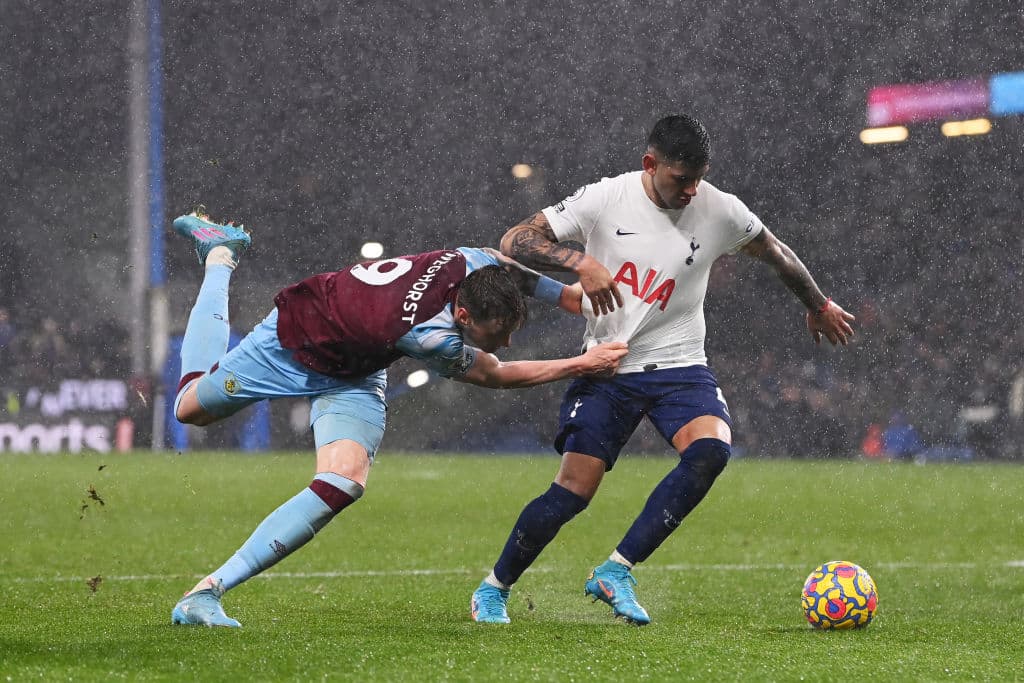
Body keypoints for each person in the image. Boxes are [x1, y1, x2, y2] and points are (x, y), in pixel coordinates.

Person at [470, 114, 855, 625]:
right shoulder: (606, 198)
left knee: (711, 451)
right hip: (608, 365)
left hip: (680, 365)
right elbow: (514, 240)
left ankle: (617, 570)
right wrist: (578, 261)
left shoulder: (719, 208)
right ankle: (494, 588)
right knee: (572, 493)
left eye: (698, 179)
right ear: (650, 164)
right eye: (680, 180)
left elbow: (776, 253)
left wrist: (818, 303)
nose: (692, 191)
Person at [167, 208, 627, 627]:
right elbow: (499, 374)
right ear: (463, 315)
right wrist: (579, 365)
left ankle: (206, 593)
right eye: (497, 332)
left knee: (343, 481)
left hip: (358, 368)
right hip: (294, 343)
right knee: (190, 408)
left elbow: (505, 266)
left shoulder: (471, 261)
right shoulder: (427, 335)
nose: (504, 342)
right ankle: (220, 253)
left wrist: (571, 298)